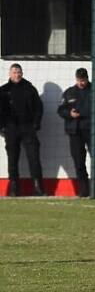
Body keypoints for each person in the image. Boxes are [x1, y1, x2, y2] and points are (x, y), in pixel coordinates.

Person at [57, 67, 95, 198]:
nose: (81, 83)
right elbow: (61, 110)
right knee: (78, 160)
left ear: (87, 78)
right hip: (75, 131)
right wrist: (69, 114)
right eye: (79, 80)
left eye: (83, 80)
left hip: (92, 131)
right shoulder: (69, 92)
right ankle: (84, 189)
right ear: (76, 79)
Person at [0, 64, 44, 196]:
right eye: (14, 72)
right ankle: (14, 188)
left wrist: (36, 124)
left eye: (18, 72)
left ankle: (38, 187)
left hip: (28, 128)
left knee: (34, 158)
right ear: (10, 74)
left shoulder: (30, 89)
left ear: (22, 73)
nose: (17, 75)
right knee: (12, 159)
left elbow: (39, 108)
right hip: (11, 128)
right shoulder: (3, 90)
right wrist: (2, 127)